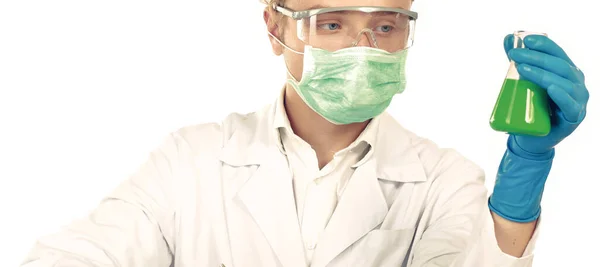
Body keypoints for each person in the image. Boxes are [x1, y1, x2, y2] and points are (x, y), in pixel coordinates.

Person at [20, 0, 590, 266]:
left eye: (385, 26)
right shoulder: (191, 162)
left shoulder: (442, 180)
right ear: (275, 26)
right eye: (333, 23)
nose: (363, 49)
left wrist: (525, 173)